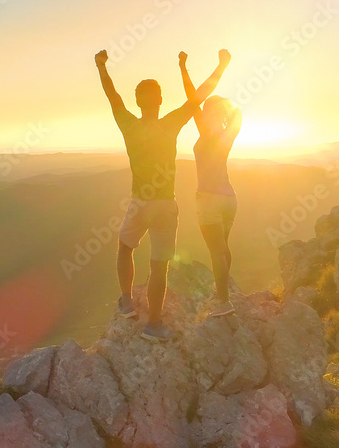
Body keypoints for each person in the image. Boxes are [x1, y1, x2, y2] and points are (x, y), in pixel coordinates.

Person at [94, 48, 231, 341]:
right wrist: (222, 65)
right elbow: (201, 95)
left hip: (139, 201)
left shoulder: (129, 124)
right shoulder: (170, 123)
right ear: (159, 100)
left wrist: (102, 66)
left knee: (125, 248)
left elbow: (111, 95)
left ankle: (127, 303)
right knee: (159, 266)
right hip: (166, 205)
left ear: (137, 102)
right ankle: (154, 325)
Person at [180, 51, 242, 317]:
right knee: (223, 249)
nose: (202, 110)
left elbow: (193, 96)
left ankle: (223, 302)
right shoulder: (229, 132)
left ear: (209, 112)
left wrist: (184, 67)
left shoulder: (206, 131)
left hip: (209, 198)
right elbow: (237, 113)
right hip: (230, 198)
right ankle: (224, 292)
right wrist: (228, 108)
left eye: (206, 109)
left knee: (216, 251)